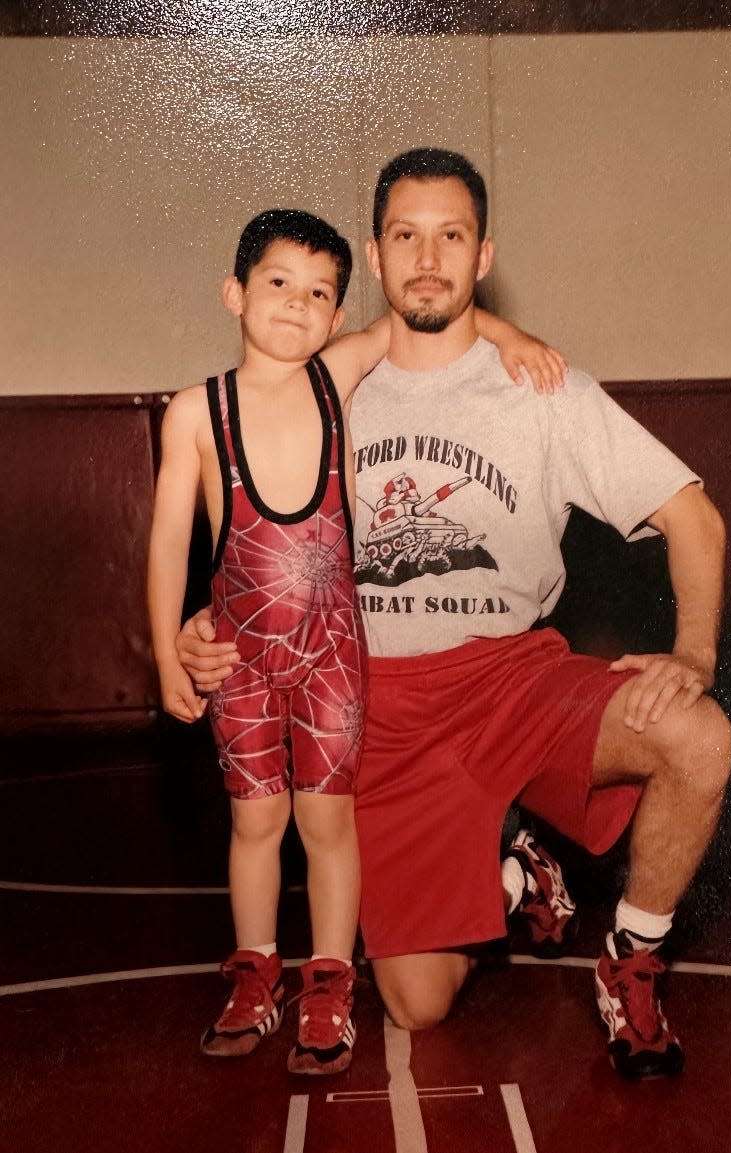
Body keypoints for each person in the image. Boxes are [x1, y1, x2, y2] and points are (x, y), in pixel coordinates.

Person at [178, 150, 731, 1081]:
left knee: (698, 737)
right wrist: (211, 617)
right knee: (412, 1004)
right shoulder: (324, 383)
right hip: (377, 704)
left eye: (451, 235)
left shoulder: (541, 388)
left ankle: (631, 958)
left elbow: (694, 517)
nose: (427, 257)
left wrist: (695, 651)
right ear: (375, 252)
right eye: (406, 235)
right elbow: (246, 512)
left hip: (512, 677)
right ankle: (511, 868)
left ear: (484, 255)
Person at [149, 207, 568, 1074]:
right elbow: (164, 543)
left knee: (326, 820)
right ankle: (256, 970)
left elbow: (430, 313)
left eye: (318, 293)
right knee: (255, 821)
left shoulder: (336, 377)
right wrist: (164, 650)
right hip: (242, 660)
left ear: (338, 315)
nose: (297, 305)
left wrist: (513, 330)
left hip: (332, 654)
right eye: (277, 283)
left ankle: (332, 978)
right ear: (233, 292)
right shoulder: (196, 412)